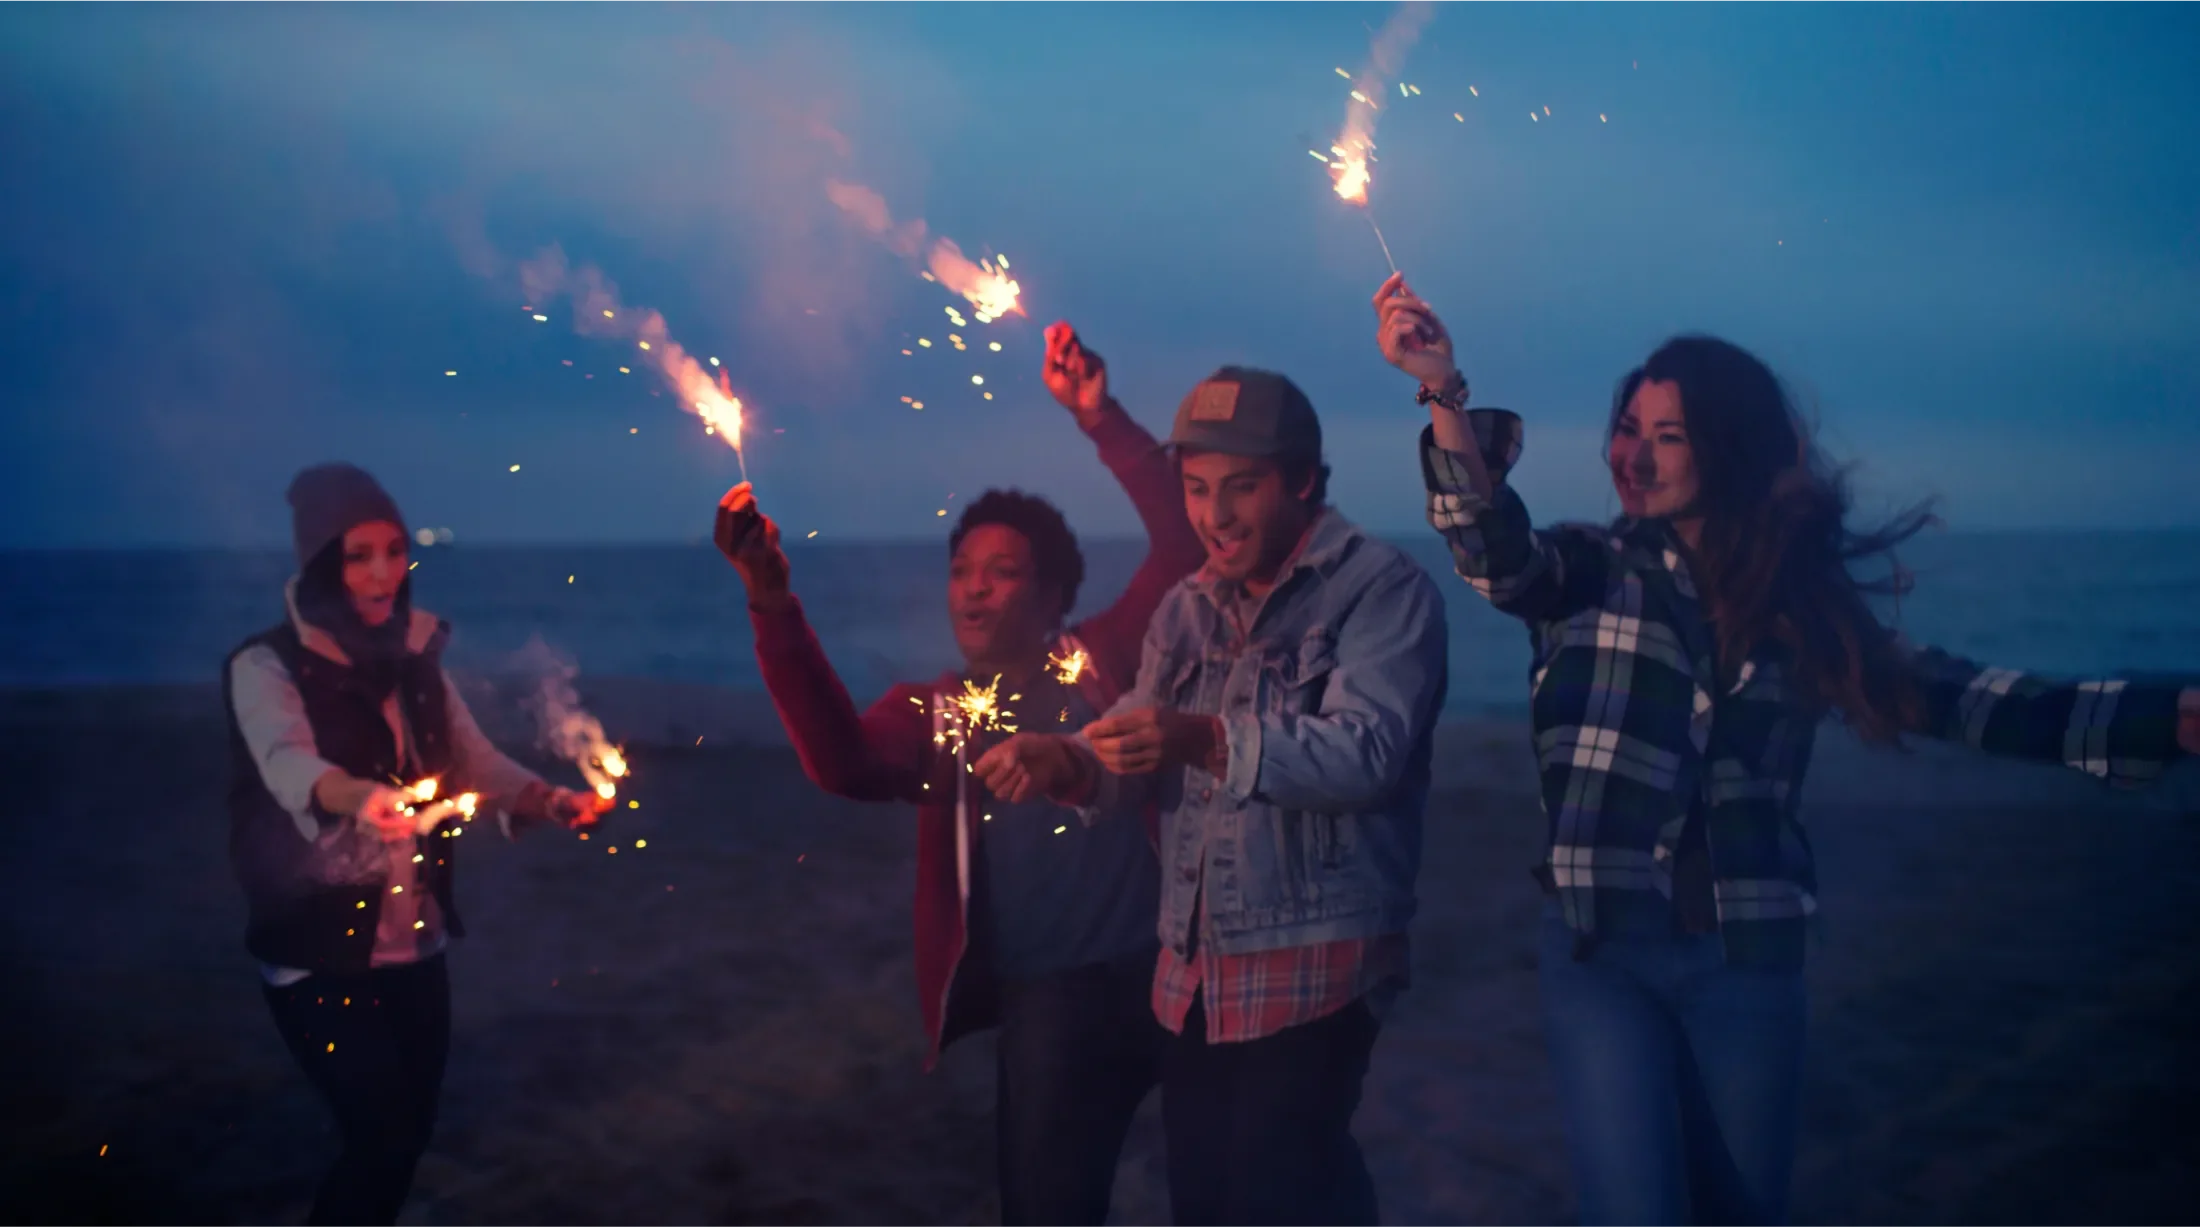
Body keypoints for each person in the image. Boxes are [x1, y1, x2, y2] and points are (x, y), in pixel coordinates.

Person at [1370, 272, 2200, 1227]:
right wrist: (1440, 390)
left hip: (1747, 956)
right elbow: (1489, 546)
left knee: (1743, 1209)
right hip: (1602, 956)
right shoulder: (1588, 568)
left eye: (1667, 435)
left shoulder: (1793, 602)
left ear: (1727, 451)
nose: (1632, 454)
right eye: (1626, 429)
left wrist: (2157, 717)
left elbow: (1948, 695)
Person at [710, 322, 1205, 1227]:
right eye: (962, 570)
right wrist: (771, 599)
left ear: (1054, 594)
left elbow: (1182, 545)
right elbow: (841, 762)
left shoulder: (1102, 656)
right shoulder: (938, 714)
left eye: (1003, 572)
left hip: (1174, 972)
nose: (974, 589)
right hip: (1049, 1000)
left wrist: (1102, 418)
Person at [973, 365, 1450, 1227]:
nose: (1212, 516)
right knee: (1205, 1199)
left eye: (1240, 488)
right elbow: (1135, 740)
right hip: (1190, 975)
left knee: (1281, 1189)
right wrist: (1068, 761)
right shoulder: (1185, 609)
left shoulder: (1381, 589)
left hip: (1317, 965)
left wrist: (1209, 738)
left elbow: (1367, 753)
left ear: (1301, 480)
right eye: (1195, 489)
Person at [224, 463, 599, 1227]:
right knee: (382, 1135)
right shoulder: (265, 666)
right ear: (323, 561)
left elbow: (472, 758)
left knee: (408, 1136)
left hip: (414, 947)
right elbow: (286, 761)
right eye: (359, 553)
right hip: (316, 954)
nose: (384, 572)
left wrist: (548, 797)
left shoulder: (417, 660)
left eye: (395, 550)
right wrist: (361, 797)